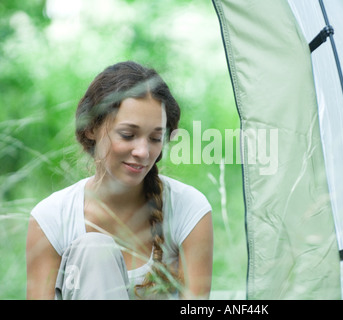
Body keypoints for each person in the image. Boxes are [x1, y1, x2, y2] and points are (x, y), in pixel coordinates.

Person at [26, 61, 213, 300]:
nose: (143, 152)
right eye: (128, 135)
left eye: (156, 138)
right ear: (91, 128)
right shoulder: (50, 217)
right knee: (94, 249)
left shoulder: (189, 208)